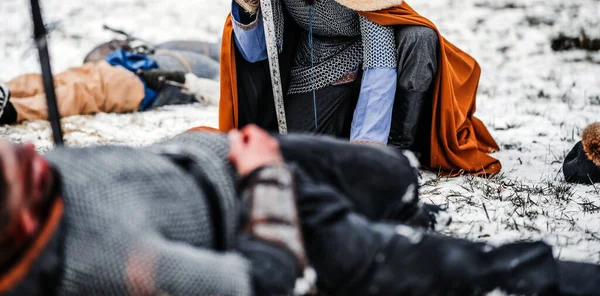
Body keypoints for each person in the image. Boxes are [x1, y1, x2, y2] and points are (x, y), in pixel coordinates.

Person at [1, 125, 599, 295]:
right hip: (262, 204)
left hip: (227, 152)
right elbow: (262, 280)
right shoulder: (105, 262)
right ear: (23, 223)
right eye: (21, 168)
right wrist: (263, 175)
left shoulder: (28, 179)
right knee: (472, 270)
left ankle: (401, 212)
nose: (30, 155)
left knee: (390, 170)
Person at [219, 0, 500, 176]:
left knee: (419, 37)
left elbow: (380, 63)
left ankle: (398, 149)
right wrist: (246, 6)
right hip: (315, 65)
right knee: (294, 149)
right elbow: (258, 53)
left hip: (374, 55)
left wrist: (370, 151)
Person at [0, 40, 220, 126]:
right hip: (126, 71)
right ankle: (10, 97)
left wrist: (184, 80)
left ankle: (11, 102)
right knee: (70, 85)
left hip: (137, 83)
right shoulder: (212, 56)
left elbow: (221, 93)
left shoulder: (216, 67)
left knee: (76, 89)